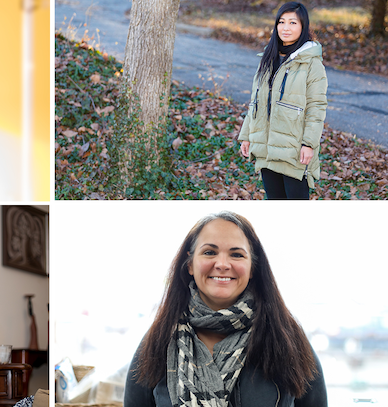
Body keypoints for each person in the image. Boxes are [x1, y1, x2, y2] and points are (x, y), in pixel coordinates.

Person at [125, 211, 326, 407]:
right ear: (190, 265)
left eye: (237, 254)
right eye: (209, 252)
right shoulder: (158, 339)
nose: (222, 264)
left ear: (252, 267)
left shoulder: (287, 338)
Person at [237, 2, 327, 200]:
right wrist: (246, 135)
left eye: (293, 22)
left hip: (293, 150)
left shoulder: (311, 62)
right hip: (266, 147)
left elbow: (316, 106)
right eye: (281, 22)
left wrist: (309, 144)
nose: (286, 28)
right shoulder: (268, 58)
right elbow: (256, 101)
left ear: (303, 27)